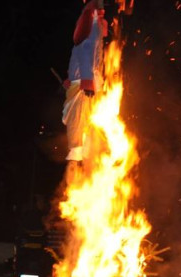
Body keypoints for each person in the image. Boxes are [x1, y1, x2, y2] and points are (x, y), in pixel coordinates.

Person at [62, 0, 108, 162]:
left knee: (86, 116)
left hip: (87, 81)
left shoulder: (94, 29)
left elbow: (88, 57)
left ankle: (86, 148)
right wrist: (85, 80)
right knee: (78, 115)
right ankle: (77, 149)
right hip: (84, 82)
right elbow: (85, 53)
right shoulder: (93, 28)